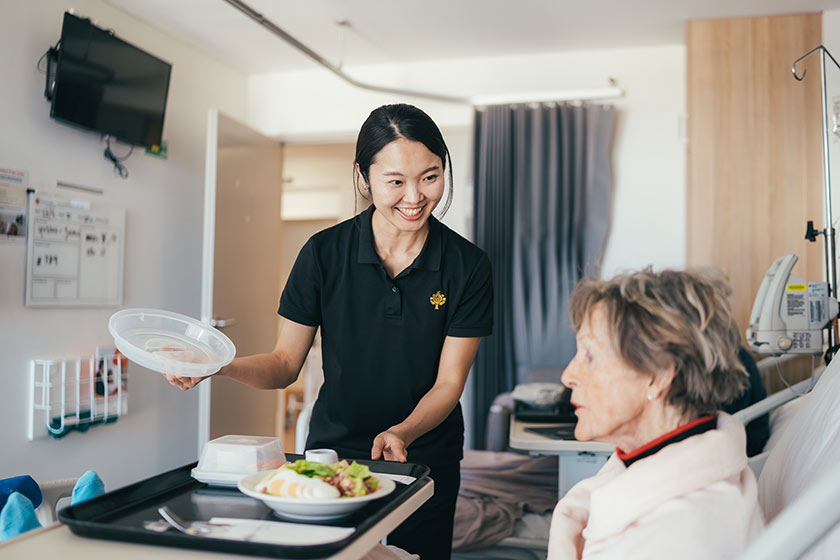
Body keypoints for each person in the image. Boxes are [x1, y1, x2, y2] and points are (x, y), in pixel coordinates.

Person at [165, 103, 493, 559]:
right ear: (364, 176)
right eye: (395, 181)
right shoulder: (323, 254)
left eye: (430, 177)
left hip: (422, 454)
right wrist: (219, 364)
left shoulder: (467, 266)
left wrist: (404, 431)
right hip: (333, 454)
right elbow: (283, 365)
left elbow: (449, 382)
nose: (415, 196)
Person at [547, 268, 764, 560]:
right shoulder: (646, 462)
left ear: (658, 375)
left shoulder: (682, 537)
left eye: (589, 355)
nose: (568, 376)